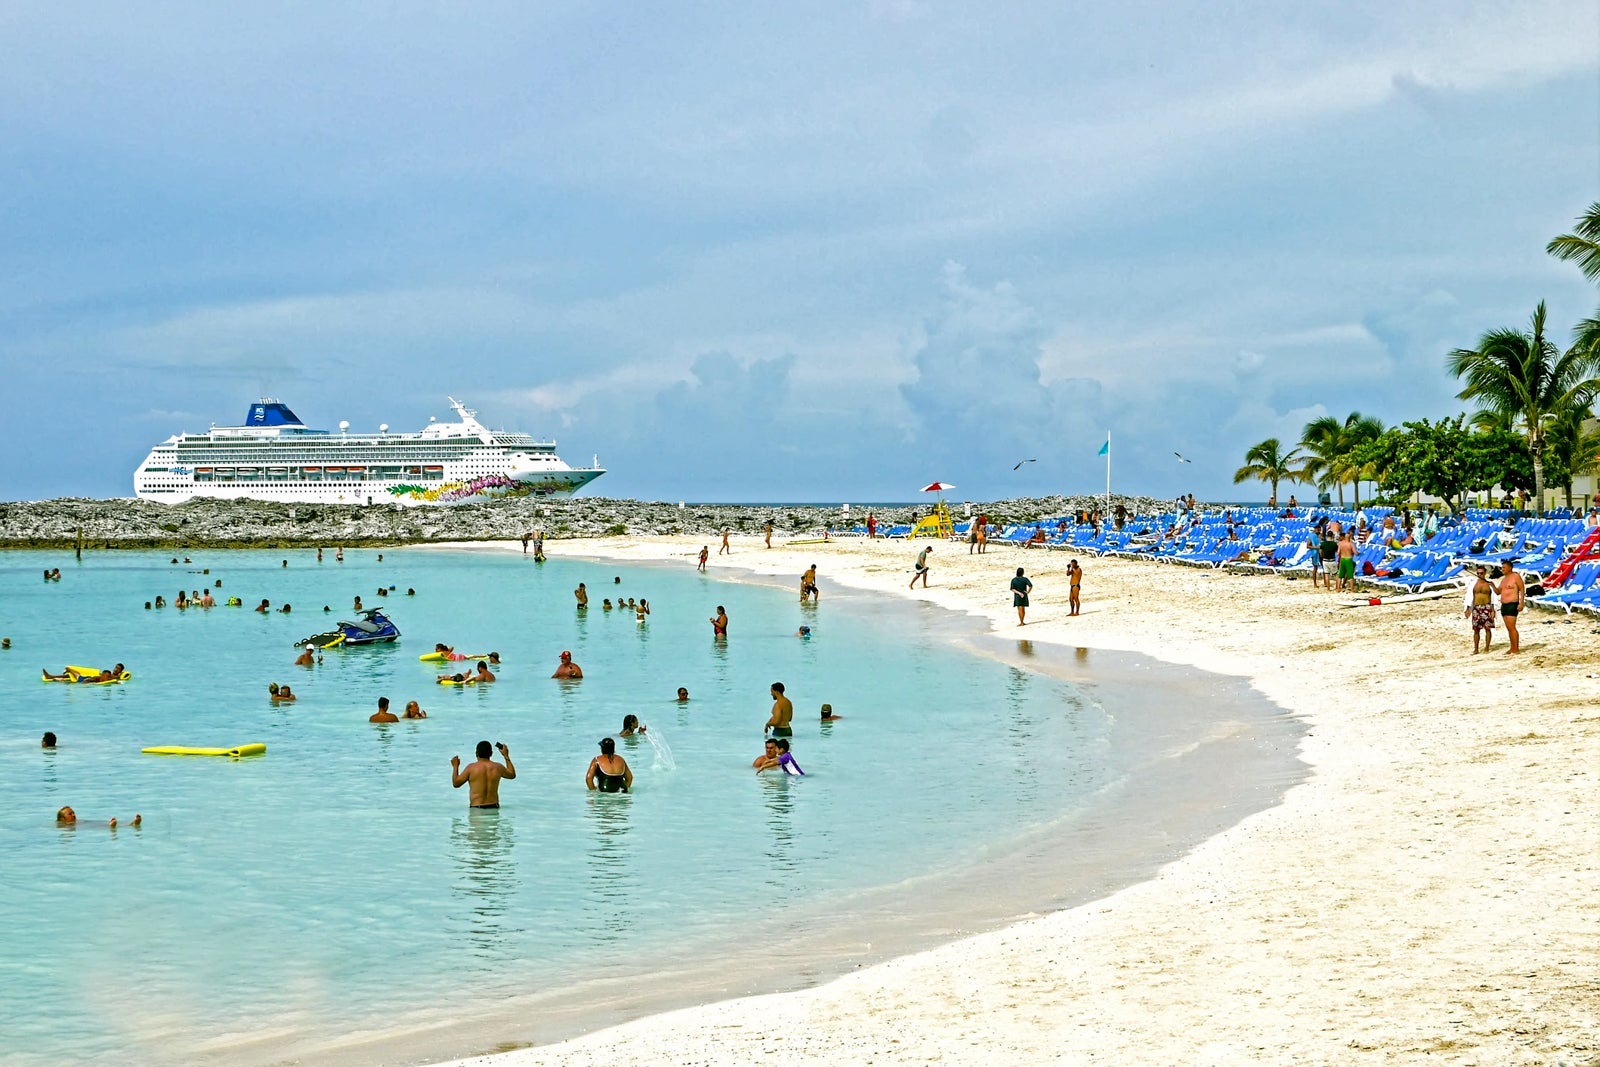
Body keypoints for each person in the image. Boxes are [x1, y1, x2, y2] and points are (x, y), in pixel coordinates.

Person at [452, 741, 516, 808]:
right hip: (494, 807)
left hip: (477, 808)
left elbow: (456, 783)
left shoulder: (471, 768)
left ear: (476, 753)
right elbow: (512, 775)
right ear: (491, 753)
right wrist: (506, 756)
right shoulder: (498, 767)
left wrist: (455, 766)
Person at [1464, 565, 1497, 654]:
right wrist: (1467, 609)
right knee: (1476, 629)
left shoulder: (1489, 584)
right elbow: (1469, 597)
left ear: (1485, 573)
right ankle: (1476, 649)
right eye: (1478, 573)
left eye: (1481, 573)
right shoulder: (1473, 584)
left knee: (1487, 628)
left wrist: (1493, 610)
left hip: (1487, 607)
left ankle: (1487, 647)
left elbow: (1493, 598)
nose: (1479, 575)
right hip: (1476, 608)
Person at [1499, 560, 1527, 654]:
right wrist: (1490, 584)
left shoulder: (1515, 576)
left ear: (1510, 568)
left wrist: (1521, 603)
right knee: (1508, 628)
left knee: (1512, 627)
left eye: (1504, 567)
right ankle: (1512, 647)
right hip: (1504, 605)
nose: (1502, 569)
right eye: (1502, 567)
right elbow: (1498, 591)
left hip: (1512, 604)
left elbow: (1522, 589)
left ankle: (1516, 649)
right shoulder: (1504, 579)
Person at [57, 806, 140, 829]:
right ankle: (111, 826)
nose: (73, 815)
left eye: (73, 813)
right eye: (70, 814)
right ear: (62, 819)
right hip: (84, 827)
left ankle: (130, 824)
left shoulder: (78, 821)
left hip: (84, 824)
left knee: (99, 822)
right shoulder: (62, 826)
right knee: (96, 826)